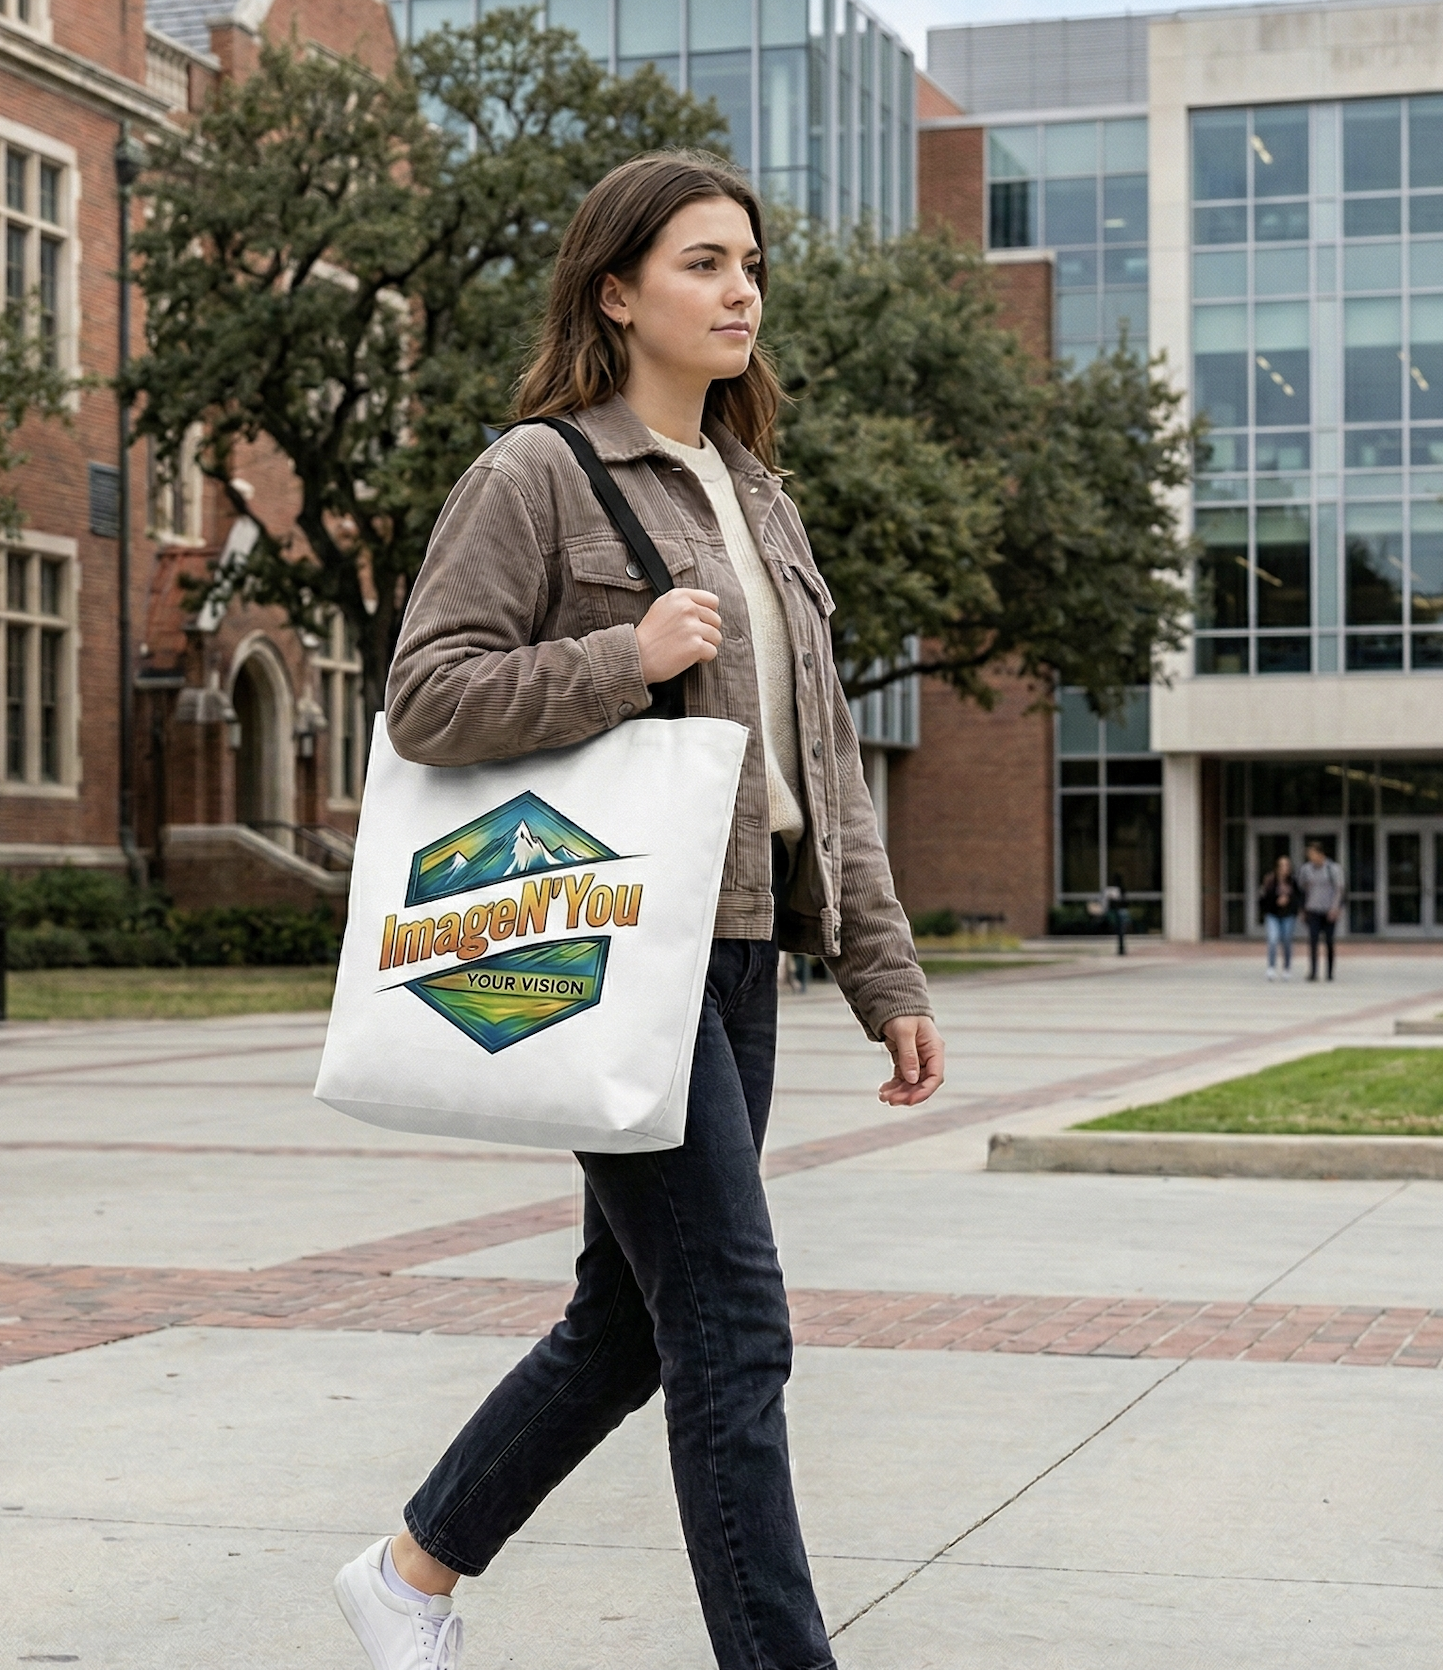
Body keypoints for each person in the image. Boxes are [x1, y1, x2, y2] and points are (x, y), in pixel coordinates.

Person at [333, 151, 943, 1670]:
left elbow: (827, 768)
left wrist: (885, 969)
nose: (742, 290)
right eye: (703, 263)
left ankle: (408, 1574)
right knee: (734, 1326)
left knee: (628, 1325)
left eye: (750, 264)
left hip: (740, 952)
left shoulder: (761, 498)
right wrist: (625, 651)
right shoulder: (535, 472)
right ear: (617, 291)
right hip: (627, 946)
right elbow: (426, 696)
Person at [1297, 840, 1344, 982]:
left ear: (1320, 854)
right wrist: (1302, 908)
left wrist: (1335, 908)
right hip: (1313, 910)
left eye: (1312, 854)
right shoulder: (1306, 869)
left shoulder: (1333, 869)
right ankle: (1313, 972)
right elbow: (1301, 889)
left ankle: (1329, 972)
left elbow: (1339, 890)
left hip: (1329, 911)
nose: (1310, 857)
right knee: (1313, 941)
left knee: (1329, 941)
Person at [1258, 852, 1301, 980]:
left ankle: (1287, 968)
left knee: (1287, 940)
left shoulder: (1293, 881)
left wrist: (1289, 900)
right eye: (1282, 865)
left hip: (1288, 915)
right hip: (1273, 914)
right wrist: (1277, 899)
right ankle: (1271, 967)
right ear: (1277, 867)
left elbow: (1298, 897)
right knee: (1273, 939)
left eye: (1287, 865)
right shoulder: (1270, 880)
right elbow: (1263, 898)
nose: (1284, 868)